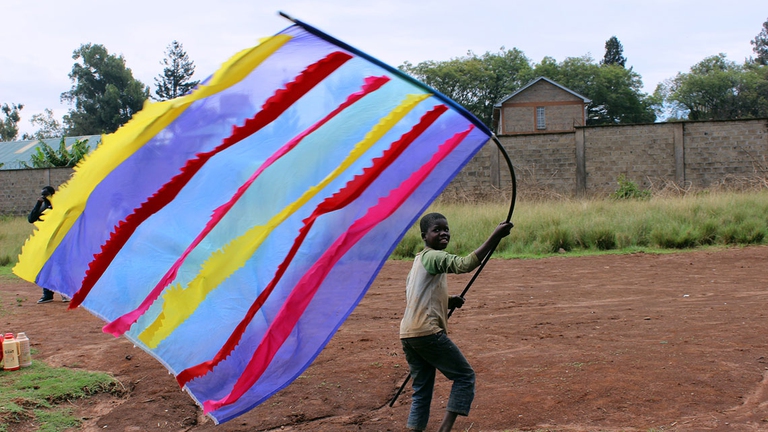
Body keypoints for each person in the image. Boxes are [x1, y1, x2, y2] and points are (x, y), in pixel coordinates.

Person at [399, 212, 513, 432]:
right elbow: (464, 265)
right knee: (464, 376)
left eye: (446, 229)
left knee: (421, 389)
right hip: (428, 333)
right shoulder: (433, 256)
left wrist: (448, 301)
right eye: (437, 230)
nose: (443, 233)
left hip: (408, 334)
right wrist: (494, 237)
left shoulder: (417, 261)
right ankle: (445, 429)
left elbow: (417, 295)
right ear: (424, 236)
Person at [27, 185, 69, 304]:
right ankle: (47, 294)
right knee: (46, 268)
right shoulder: (43, 206)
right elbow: (31, 219)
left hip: (58, 241)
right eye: (43, 195)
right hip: (45, 242)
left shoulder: (58, 205)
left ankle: (64, 293)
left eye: (46, 195)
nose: (44, 197)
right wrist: (38, 204)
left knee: (60, 267)